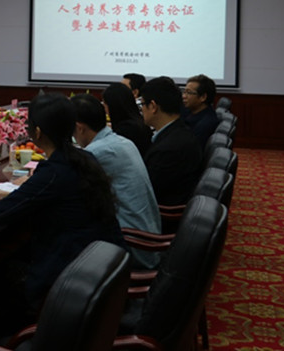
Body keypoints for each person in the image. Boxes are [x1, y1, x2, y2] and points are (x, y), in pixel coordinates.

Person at [0, 94, 126, 317]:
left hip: (68, 278)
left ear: (37, 132)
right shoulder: (83, 158)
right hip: (98, 268)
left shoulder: (53, 172)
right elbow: (37, 196)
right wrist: (11, 195)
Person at [71, 94, 161, 269]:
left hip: (131, 245)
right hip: (148, 236)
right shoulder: (123, 142)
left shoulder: (97, 152)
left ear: (79, 128)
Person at [140, 76, 204, 206]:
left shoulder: (168, 149)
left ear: (153, 106)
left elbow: (146, 193)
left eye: (142, 104)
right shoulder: (179, 131)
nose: (141, 109)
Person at [102, 82, 152, 155]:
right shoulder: (139, 122)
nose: (105, 110)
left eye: (105, 105)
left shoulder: (125, 131)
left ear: (112, 106)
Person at [181, 74, 220, 150]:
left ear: (203, 97)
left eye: (189, 92)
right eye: (184, 92)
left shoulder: (205, 124)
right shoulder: (192, 111)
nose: (184, 96)